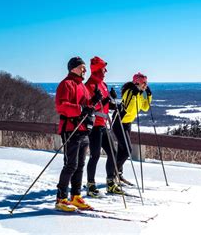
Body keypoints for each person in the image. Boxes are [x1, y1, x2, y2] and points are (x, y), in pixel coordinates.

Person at [54, 56, 102, 211]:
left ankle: (76, 196)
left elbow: (87, 106)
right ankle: (61, 198)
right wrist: (81, 109)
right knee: (71, 164)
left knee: (80, 165)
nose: (85, 70)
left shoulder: (82, 86)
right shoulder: (66, 84)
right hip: (70, 129)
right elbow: (62, 106)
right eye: (82, 67)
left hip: (83, 130)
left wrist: (94, 101)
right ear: (73, 68)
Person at [84, 56, 124, 196]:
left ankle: (110, 183)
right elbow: (90, 106)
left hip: (103, 125)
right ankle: (90, 185)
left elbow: (105, 104)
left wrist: (115, 104)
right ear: (97, 69)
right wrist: (106, 99)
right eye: (103, 68)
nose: (106, 71)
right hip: (94, 125)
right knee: (95, 155)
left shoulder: (103, 84)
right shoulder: (89, 85)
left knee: (113, 153)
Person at [112, 72, 152, 187]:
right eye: (144, 83)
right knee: (127, 150)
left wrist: (148, 96)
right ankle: (113, 173)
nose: (145, 85)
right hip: (119, 122)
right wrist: (134, 95)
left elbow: (145, 107)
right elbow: (128, 109)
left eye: (146, 83)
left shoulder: (139, 94)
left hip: (127, 123)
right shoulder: (129, 91)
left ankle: (118, 174)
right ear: (137, 82)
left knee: (122, 149)